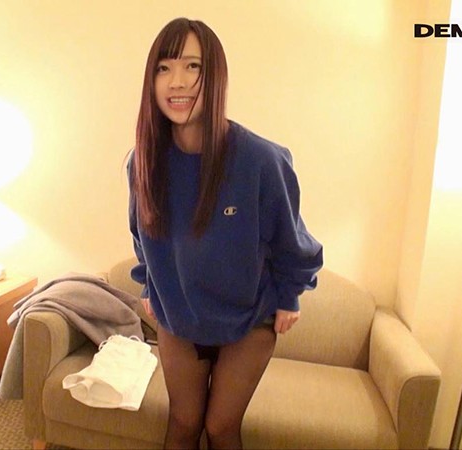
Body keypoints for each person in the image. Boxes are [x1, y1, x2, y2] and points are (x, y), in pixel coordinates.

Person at [128, 17, 323, 450]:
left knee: (220, 428)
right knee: (183, 422)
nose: (177, 82)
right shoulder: (142, 161)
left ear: (214, 75)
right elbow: (142, 233)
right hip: (180, 316)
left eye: (192, 66)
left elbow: (292, 239)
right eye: (164, 68)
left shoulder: (260, 159)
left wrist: (290, 296)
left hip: (249, 318)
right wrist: (148, 283)